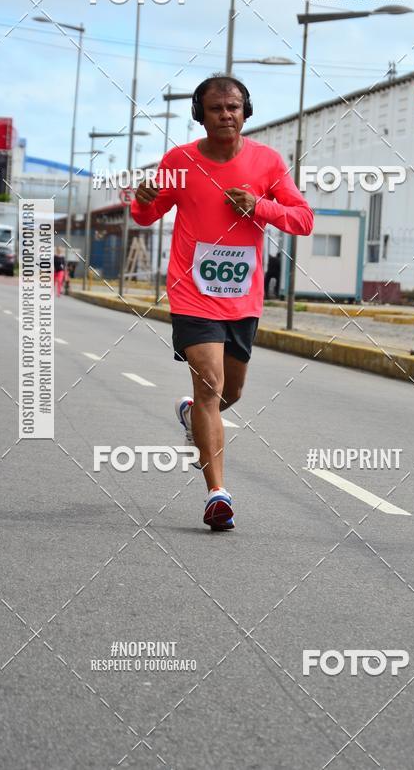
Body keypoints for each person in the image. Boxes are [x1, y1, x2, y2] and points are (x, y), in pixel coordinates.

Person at [131, 74, 313, 531]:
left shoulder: (267, 163)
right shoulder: (181, 160)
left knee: (230, 393)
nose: (226, 114)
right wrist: (142, 200)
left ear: (245, 112)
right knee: (210, 385)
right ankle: (218, 495)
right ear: (200, 115)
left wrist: (260, 206)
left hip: (242, 298)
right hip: (192, 293)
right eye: (216, 108)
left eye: (233, 107)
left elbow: (304, 219)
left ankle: (193, 417)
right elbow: (149, 211)